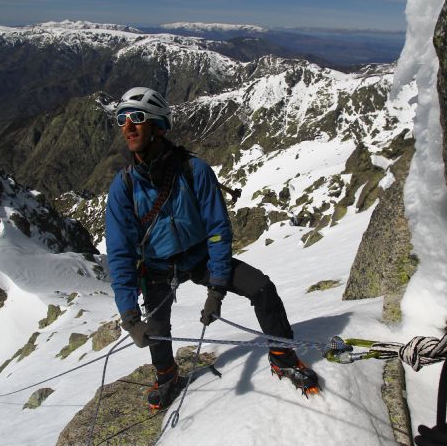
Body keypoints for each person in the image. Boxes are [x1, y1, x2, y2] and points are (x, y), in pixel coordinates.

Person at [105, 87, 319, 410]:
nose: (128, 127)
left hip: (200, 258)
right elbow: (120, 255)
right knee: (157, 326)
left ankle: (283, 356)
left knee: (262, 289)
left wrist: (216, 289)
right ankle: (167, 376)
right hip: (158, 267)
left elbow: (218, 230)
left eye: (137, 118)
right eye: (122, 119)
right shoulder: (124, 188)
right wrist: (130, 316)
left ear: (157, 125)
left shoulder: (194, 170)